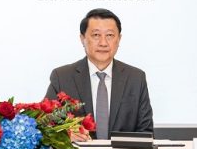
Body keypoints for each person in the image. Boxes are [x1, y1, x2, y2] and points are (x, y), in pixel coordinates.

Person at [45, 8, 154, 140]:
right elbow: (46, 126)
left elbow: (145, 132)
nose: (103, 43)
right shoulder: (62, 77)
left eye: (110, 35)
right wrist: (66, 136)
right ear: (82, 39)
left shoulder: (135, 78)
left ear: (119, 39)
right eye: (96, 35)